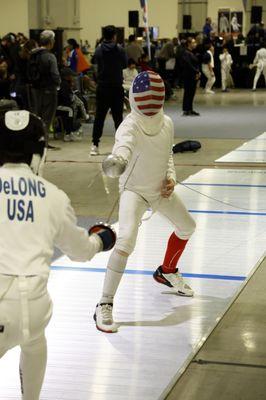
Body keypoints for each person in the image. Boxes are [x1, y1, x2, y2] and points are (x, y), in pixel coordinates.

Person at [0, 109, 116, 400]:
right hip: (37, 308)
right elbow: (81, 251)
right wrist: (101, 239)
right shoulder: (53, 195)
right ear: (39, 154)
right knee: (34, 340)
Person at [94, 71, 196, 333]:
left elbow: (167, 155)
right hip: (134, 192)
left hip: (159, 190)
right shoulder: (129, 125)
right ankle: (104, 303)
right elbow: (123, 148)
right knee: (126, 240)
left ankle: (167, 271)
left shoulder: (167, 123)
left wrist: (171, 178)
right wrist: (118, 161)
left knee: (187, 226)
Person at [90, 25, 127, 156]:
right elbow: (125, 65)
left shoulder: (98, 50)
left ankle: (94, 145)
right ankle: (120, 146)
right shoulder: (120, 50)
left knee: (99, 117)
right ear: (114, 36)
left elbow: (94, 65)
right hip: (116, 87)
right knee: (118, 118)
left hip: (103, 87)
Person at [29, 30, 61, 150]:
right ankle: (44, 142)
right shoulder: (50, 56)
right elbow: (55, 74)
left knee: (37, 115)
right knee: (47, 117)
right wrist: (58, 84)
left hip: (35, 89)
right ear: (51, 42)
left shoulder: (32, 54)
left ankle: (36, 141)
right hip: (49, 89)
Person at [181, 37, 200, 116]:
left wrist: (197, 72)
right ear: (189, 44)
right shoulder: (186, 53)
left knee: (192, 92)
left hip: (193, 75)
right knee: (188, 92)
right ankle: (186, 109)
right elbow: (189, 65)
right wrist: (196, 71)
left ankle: (190, 108)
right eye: (193, 42)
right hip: (188, 76)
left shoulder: (191, 53)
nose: (195, 44)